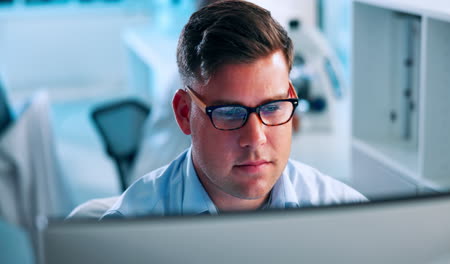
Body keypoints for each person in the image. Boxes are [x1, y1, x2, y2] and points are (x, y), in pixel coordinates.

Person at [102, 0, 366, 218]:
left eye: (272, 107)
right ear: (184, 113)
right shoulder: (129, 230)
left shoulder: (348, 214)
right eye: (229, 112)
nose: (255, 139)